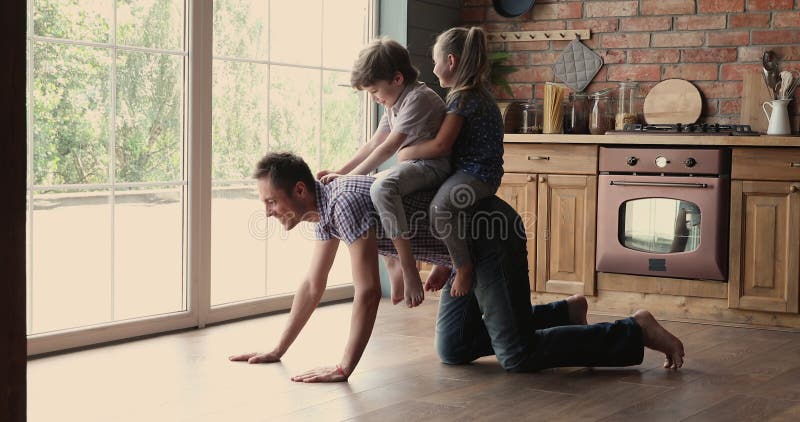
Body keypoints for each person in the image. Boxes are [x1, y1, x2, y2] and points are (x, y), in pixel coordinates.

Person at [229, 152, 685, 383]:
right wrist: (276, 348)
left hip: (489, 241)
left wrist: (344, 366)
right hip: (459, 253)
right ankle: (564, 313)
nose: (268, 211)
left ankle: (633, 331)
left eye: (272, 201)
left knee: (517, 356)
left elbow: (367, 292)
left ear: (301, 192)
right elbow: (312, 285)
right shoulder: (327, 209)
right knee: (454, 347)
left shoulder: (343, 202)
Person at [317, 37, 449, 308]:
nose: (374, 98)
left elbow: (389, 148)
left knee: (381, 188)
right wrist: (341, 172)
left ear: (397, 79)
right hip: (412, 166)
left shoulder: (418, 99)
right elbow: (373, 143)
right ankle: (392, 263)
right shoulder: (393, 103)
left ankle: (410, 267)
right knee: (367, 193)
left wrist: (351, 177)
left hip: (435, 167)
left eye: (374, 91)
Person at [398, 26, 504, 298]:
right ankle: (444, 260)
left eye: (435, 62)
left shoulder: (463, 97)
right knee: (441, 204)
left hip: (478, 174)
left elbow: (441, 145)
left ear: (451, 62)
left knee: (441, 208)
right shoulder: (471, 93)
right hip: (467, 171)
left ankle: (463, 266)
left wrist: (406, 152)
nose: (433, 70)